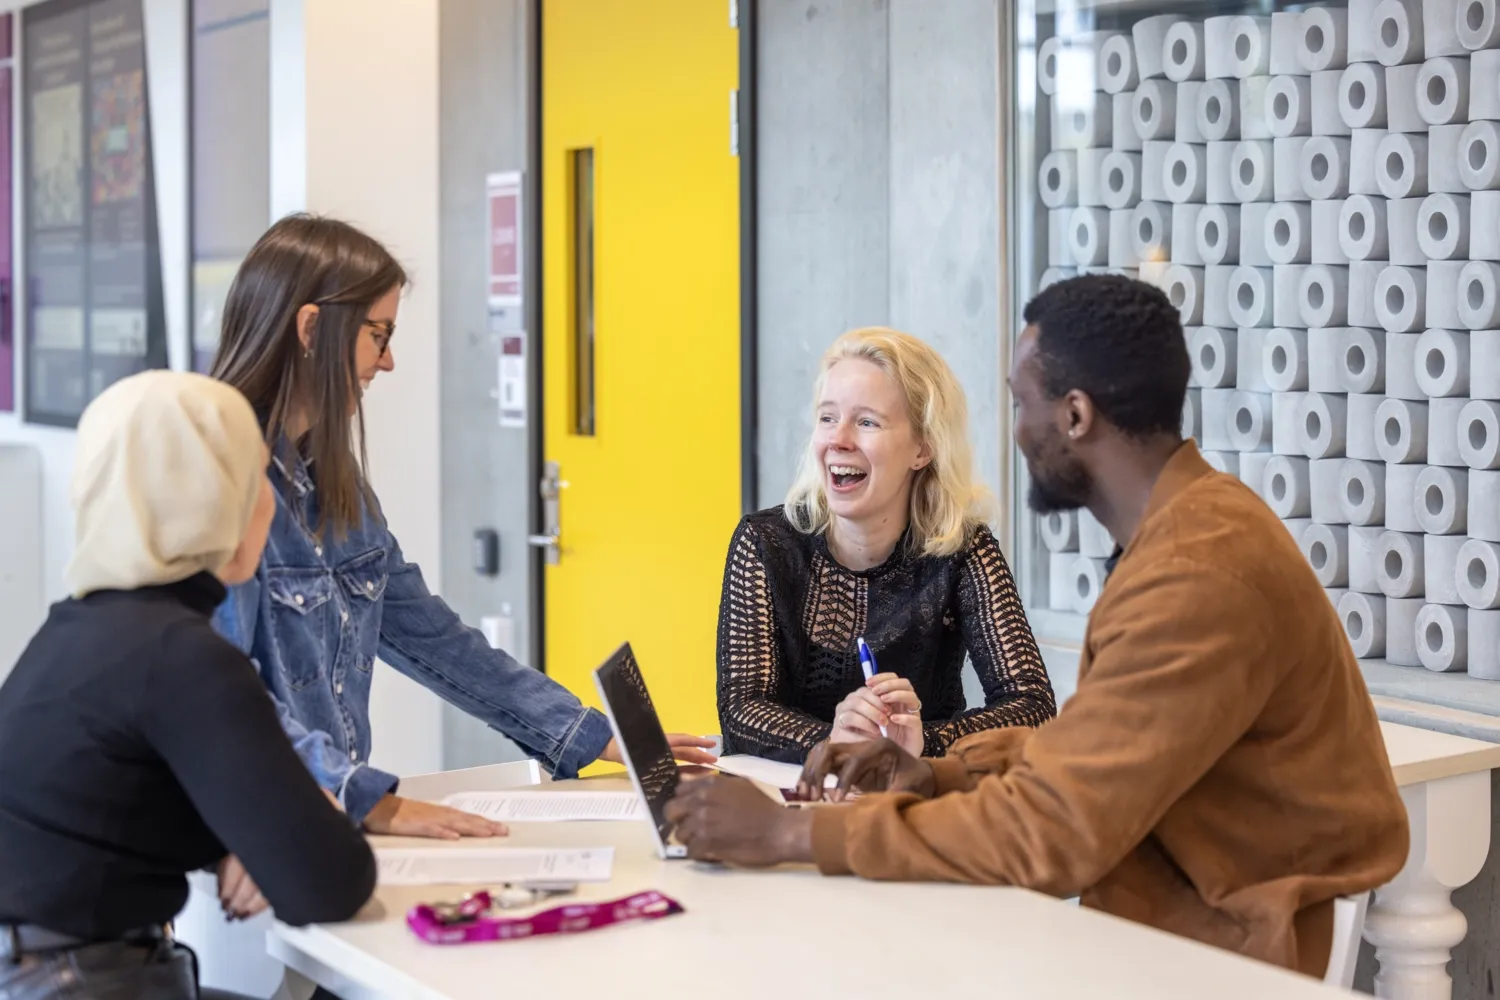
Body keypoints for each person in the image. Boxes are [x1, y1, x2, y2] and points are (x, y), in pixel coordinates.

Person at [666, 275, 1410, 978]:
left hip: (1222, 945)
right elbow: (1093, 750)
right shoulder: (1192, 529)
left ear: (1075, 416)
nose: (1017, 432)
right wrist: (936, 773)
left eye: (1022, 404)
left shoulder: (1196, 570)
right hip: (1177, 914)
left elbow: (1050, 834)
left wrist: (787, 834)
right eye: (830, 418)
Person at [210, 214, 715, 839]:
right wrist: (373, 801)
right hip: (251, 835)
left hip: (328, 825)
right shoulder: (215, 481)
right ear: (312, 328)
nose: (388, 361)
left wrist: (592, 735)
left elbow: (435, 640)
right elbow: (221, 697)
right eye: (378, 334)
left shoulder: (338, 489)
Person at [0, 371, 375, 999]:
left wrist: (255, 838)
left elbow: (123, 806)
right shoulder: (182, 656)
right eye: (253, 478)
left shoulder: (79, 629)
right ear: (208, 498)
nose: (268, 503)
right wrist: (296, 827)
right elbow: (330, 881)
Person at [716, 327, 1054, 763]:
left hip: (919, 802)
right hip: (788, 805)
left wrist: (919, 743)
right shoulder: (764, 544)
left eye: (867, 421)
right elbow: (742, 710)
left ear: (923, 448)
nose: (838, 438)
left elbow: (1034, 708)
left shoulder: (964, 551)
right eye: (827, 417)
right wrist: (834, 741)